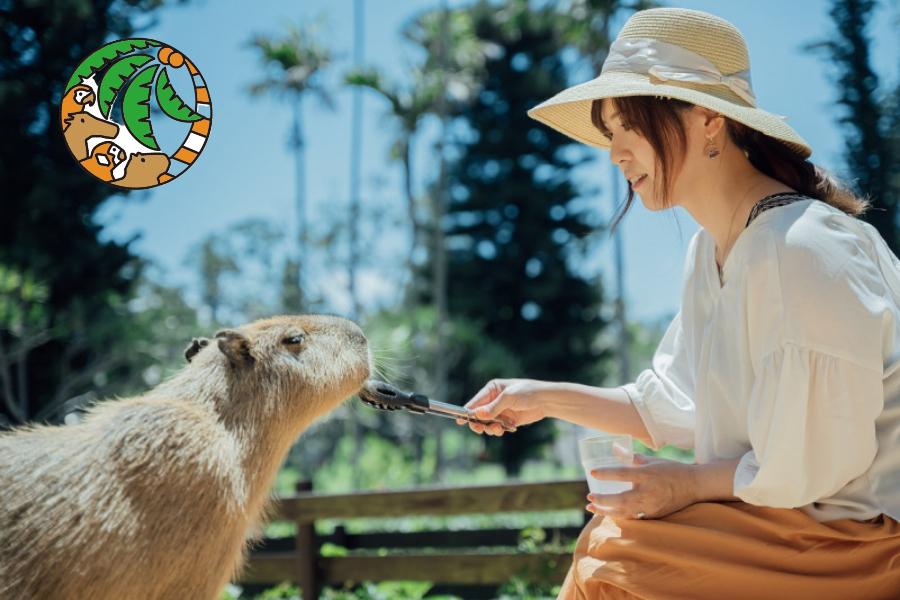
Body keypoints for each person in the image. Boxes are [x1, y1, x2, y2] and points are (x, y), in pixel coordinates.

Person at [454, 7, 900, 599]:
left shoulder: (803, 247)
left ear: (709, 119)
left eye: (626, 127)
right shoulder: (710, 254)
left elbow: (807, 466)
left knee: (616, 560)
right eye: (608, 133)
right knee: (608, 548)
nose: (615, 154)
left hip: (858, 540)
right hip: (787, 525)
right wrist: (540, 397)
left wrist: (685, 486)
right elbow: (671, 408)